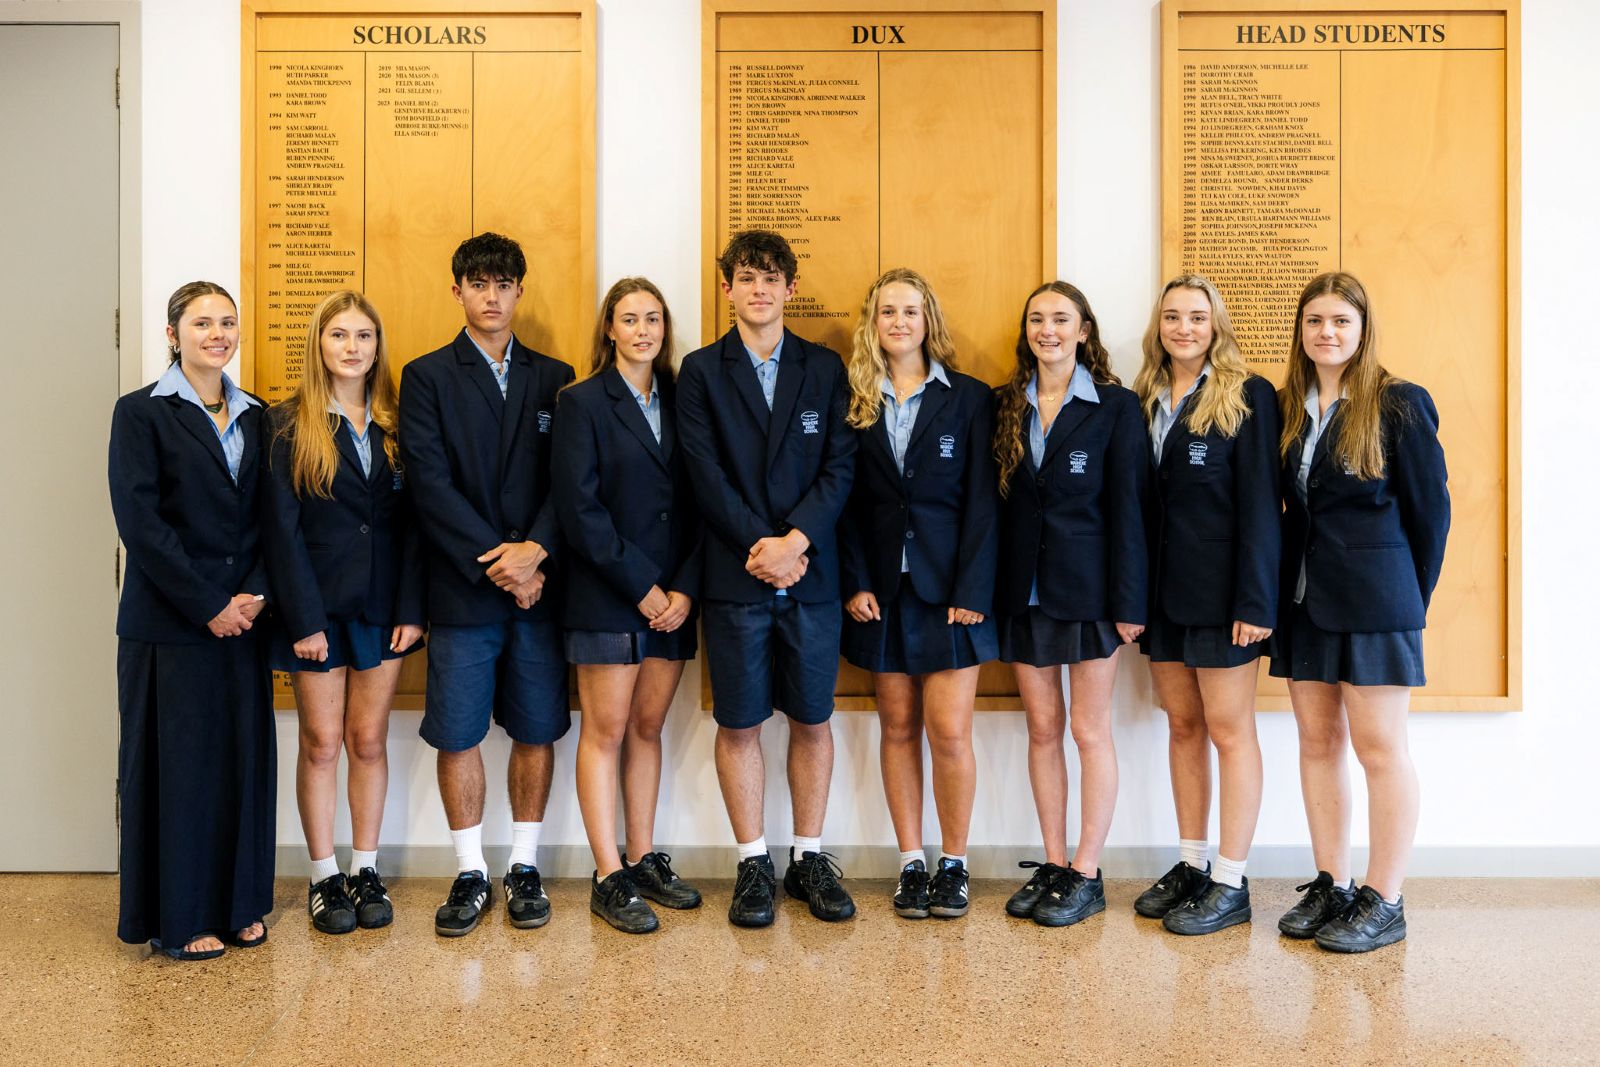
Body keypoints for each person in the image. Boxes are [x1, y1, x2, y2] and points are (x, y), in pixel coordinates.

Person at [676, 229, 858, 927]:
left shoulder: (826, 367)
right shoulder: (698, 371)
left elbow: (841, 465)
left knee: (813, 719)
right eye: (746, 278)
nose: (759, 289)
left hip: (811, 575)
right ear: (727, 289)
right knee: (741, 722)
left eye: (771, 277)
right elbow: (704, 472)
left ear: (790, 288)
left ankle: (808, 857)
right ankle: (753, 862)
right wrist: (762, 544)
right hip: (735, 573)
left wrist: (795, 542)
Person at [398, 233, 574, 937]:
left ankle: (524, 866)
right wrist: (500, 562)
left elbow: (572, 478)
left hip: (540, 588)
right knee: (460, 731)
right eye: (478, 284)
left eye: (504, 284)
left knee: (536, 727)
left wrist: (535, 553)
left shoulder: (555, 374)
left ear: (519, 291)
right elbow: (430, 484)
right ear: (458, 292)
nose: (492, 296)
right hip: (466, 588)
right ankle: (471, 869)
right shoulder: (427, 375)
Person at [1270, 271, 1448, 953]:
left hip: (1378, 602)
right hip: (1306, 601)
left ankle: (1385, 896)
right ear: (1302, 331)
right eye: (1315, 320)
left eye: (1341, 321)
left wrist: (1408, 598)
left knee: (1379, 748)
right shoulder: (1289, 406)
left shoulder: (1400, 403)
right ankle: (1332, 882)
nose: (1327, 332)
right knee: (1317, 744)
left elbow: (1431, 515)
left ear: (1363, 328)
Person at [109, 281, 274, 960]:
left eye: (227, 321)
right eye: (202, 322)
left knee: (241, 765)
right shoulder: (140, 413)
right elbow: (141, 526)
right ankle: (180, 917)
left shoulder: (257, 416)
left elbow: (273, 517)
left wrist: (255, 594)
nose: (218, 333)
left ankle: (238, 906)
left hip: (244, 620)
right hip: (171, 625)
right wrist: (209, 604)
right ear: (173, 333)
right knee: (180, 773)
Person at [262, 290, 425, 935]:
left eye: (363, 336)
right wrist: (302, 619)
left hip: (385, 610)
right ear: (319, 345)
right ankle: (323, 875)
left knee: (368, 740)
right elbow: (281, 532)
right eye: (339, 335)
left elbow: (415, 526)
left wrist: (413, 607)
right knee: (322, 743)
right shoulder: (285, 425)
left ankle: (365, 866)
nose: (352, 347)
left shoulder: (397, 425)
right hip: (318, 613)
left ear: (377, 347)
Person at [837, 268, 997, 921]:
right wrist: (855, 580)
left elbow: (986, 501)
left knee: (950, 731)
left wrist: (972, 586)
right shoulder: (856, 398)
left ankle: (953, 863)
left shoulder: (968, 397)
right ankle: (910, 861)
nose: (898, 321)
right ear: (872, 324)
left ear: (928, 318)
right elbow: (843, 502)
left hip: (950, 590)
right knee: (897, 726)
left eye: (910, 310)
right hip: (882, 589)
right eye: (886, 312)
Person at [992, 281, 1147, 928]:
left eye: (1061, 318)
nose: (1047, 329)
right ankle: (1054, 862)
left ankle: (1087, 869)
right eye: (1037, 319)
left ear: (1084, 329)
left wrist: (1130, 601)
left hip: (1090, 596)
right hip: (1022, 594)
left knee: (1089, 730)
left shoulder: (1115, 407)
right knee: (1043, 730)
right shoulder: (1005, 405)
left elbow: (1132, 510)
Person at [552, 277, 704, 934]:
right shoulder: (581, 402)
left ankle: (642, 857)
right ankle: (607, 871)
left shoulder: (683, 397)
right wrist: (643, 586)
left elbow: (703, 501)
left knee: (648, 729)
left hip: (673, 596)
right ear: (609, 329)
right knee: (606, 731)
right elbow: (579, 510)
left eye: (653, 319)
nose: (642, 330)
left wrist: (684, 590)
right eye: (629, 319)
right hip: (609, 594)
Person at [1130, 275, 1280, 934]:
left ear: (1216, 324)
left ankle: (1230, 877)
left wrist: (1256, 597)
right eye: (1172, 316)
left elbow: (1260, 505)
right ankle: (1191, 862)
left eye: (1196, 316)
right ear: (1157, 326)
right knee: (1183, 727)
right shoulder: (1142, 399)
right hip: (1163, 597)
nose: (1183, 327)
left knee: (1229, 729)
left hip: (1226, 600)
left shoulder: (1248, 395)